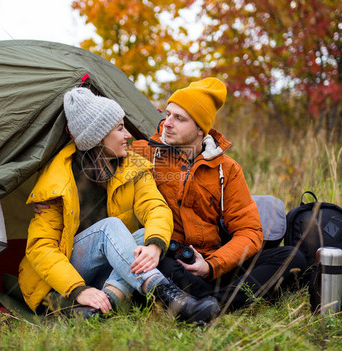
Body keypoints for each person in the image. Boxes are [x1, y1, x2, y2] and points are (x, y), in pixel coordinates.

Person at [18, 87, 219, 323]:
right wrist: (76, 289)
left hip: (111, 270)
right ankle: (172, 299)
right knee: (109, 228)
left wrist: (155, 246)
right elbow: (40, 248)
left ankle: (103, 306)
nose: (128, 136)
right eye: (120, 128)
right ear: (98, 136)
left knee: (147, 235)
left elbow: (156, 208)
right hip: (59, 283)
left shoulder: (132, 166)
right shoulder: (58, 178)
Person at [130, 77, 306, 312]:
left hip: (213, 263)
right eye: (168, 114)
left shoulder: (227, 168)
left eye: (179, 118)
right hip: (170, 258)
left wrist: (211, 265)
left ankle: (210, 302)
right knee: (156, 260)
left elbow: (250, 231)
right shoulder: (145, 153)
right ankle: (221, 301)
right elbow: (104, 150)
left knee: (292, 256)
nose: (167, 123)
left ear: (200, 129)